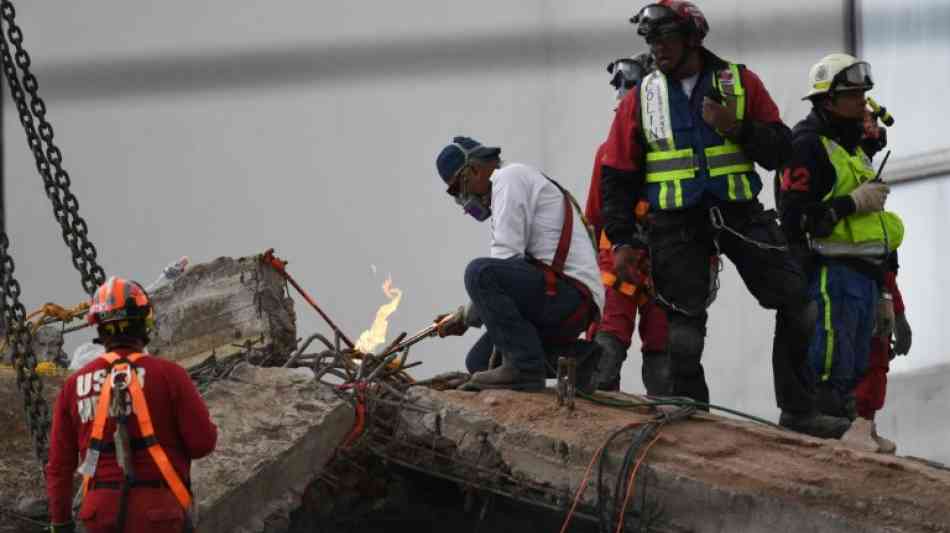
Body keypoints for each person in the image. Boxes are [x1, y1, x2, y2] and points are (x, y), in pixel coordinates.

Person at [599, 0, 850, 437]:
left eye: (665, 38)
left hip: (741, 214)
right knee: (683, 337)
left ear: (693, 37)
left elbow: (782, 150)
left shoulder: (741, 82)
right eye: (650, 40)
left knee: (800, 306)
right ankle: (695, 423)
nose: (656, 48)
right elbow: (616, 177)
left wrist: (736, 128)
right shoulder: (640, 99)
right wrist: (621, 240)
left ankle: (798, 411)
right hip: (676, 225)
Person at [777, 53, 904, 425]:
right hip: (831, 275)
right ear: (828, 100)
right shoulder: (807, 147)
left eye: (864, 94)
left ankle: (843, 436)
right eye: (853, 95)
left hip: (863, 277)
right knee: (829, 368)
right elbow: (795, 219)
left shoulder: (851, 150)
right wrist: (852, 202)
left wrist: (886, 292)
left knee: (852, 372)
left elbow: (872, 228)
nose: (863, 103)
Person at [46, 276, 217, 533]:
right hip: (158, 513)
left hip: (99, 514)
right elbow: (202, 443)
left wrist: (60, 524)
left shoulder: (73, 385)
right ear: (143, 322)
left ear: (99, 328)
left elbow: (59, 467)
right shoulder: (169, 375)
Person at [433, 136, 605, 391]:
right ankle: (579, 358)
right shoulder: (514, 184)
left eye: (457, 188)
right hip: (564, 299)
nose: (461, 200)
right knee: (479, 362)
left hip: (569, 296)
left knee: (478, 272)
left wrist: (467, 316)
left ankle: (524, 370)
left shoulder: (508, 178)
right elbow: (511, 271)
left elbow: (502, 262)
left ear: (473, 170)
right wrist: (464, 315)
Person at [584, 52, 672, 394]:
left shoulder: (610, 150)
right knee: (609, 340)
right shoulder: (608, 151)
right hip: (623, 259)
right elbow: (595, 216)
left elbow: (594, 216)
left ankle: (668, 419)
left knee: (665, 346)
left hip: (664, 256)